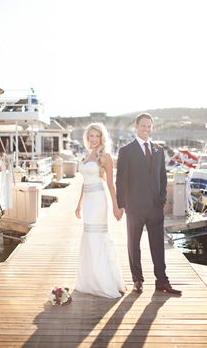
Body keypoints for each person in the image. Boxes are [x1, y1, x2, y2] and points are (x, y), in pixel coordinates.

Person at [116, 113, 182, 295]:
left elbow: (162, 176)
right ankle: (137, 280)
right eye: (143, 125)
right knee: (133, 244)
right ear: (136, 127)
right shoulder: (126, 151)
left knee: (158, 245)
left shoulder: (158, 150)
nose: (146, 129)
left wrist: (161, 199)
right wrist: (120, 204)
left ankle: (162, 280)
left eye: (149, 126)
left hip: (155, 207)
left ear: (151, 128)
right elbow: (121, 180)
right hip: (135, 207)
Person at [75, 122, 126, 298]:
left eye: (97, 136)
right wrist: (79, 204)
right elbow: (84, 182)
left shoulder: (105, 157)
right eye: (91, 136)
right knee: (88, 237)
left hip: (98, 200)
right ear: (87, 138)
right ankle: (90, 281)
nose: (94, 139)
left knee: (97, 237)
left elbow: (111, 184)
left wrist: (116, 206)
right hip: (88, 201)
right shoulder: (87, 155)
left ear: (102, 138)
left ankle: (105, 282)